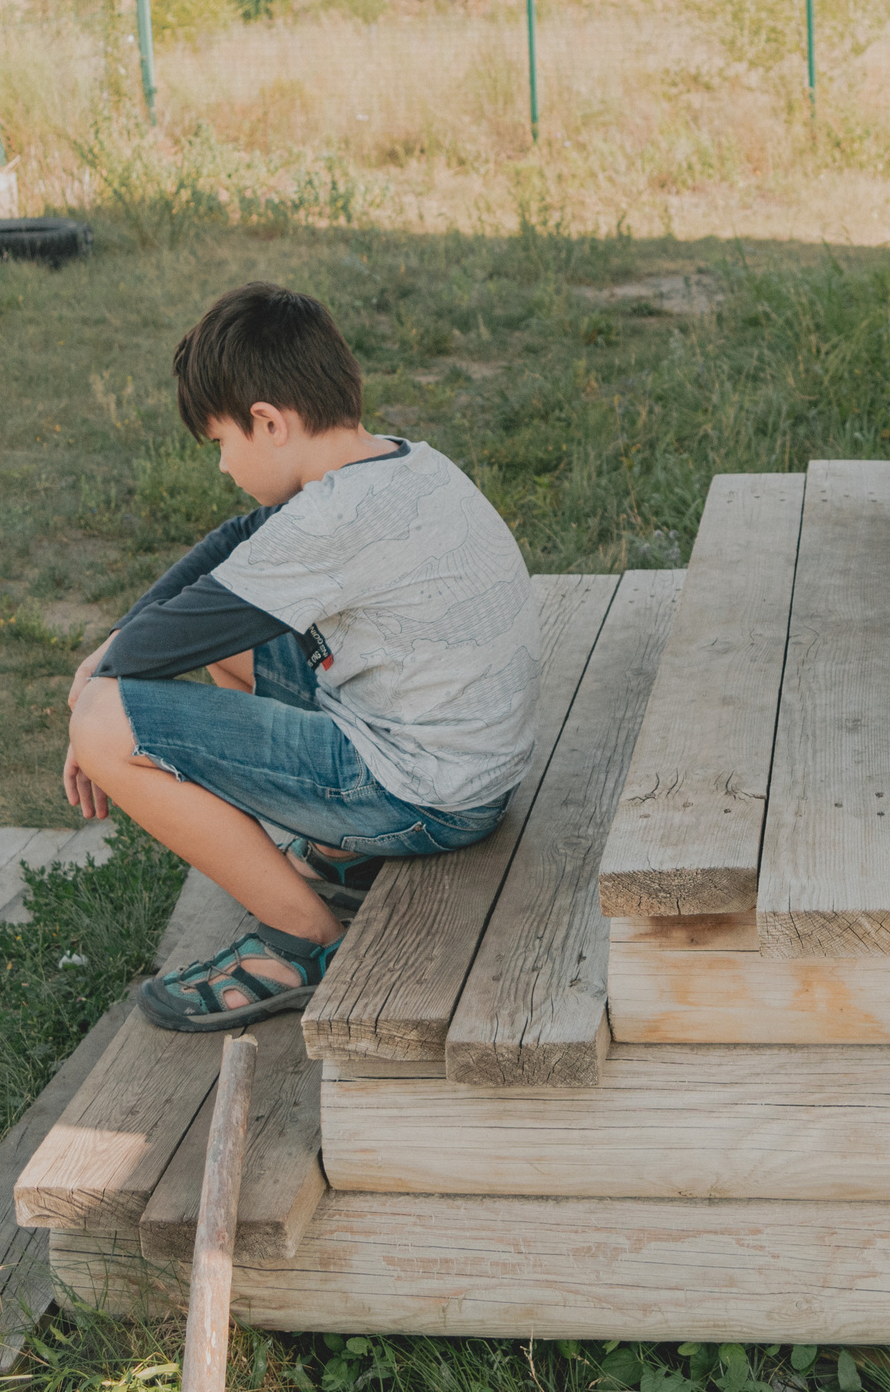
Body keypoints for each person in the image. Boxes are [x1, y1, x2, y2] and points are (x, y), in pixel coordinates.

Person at [64, 282, 543, 1033]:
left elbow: (168, 641)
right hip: (469, 767)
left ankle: (302, 942)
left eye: (222, 442)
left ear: (269, 422)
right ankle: (340, 850)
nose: (224, 465)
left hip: (427, 797)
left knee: (102, 726)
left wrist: (94, 688)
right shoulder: (398, 463)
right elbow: (231, 546)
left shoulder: (333, 519)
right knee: (221, 640)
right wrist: (113, 647)